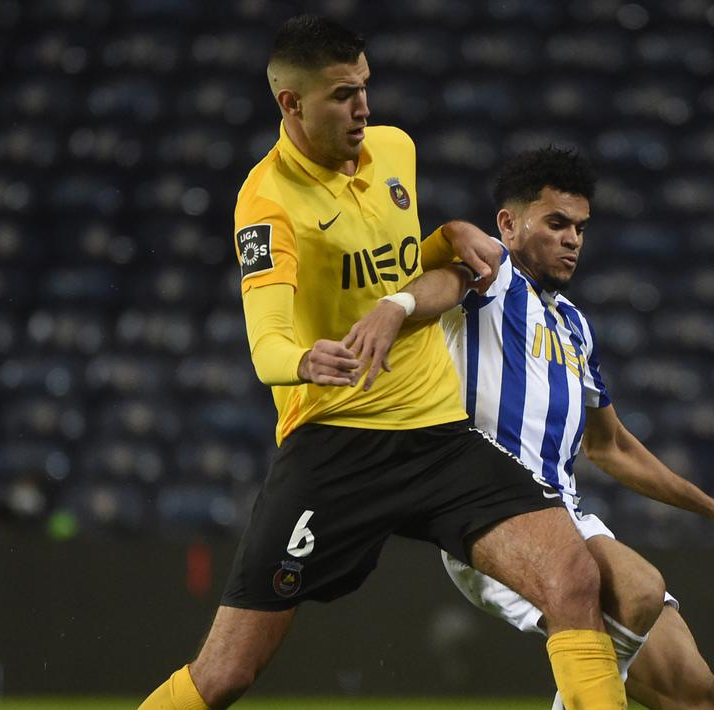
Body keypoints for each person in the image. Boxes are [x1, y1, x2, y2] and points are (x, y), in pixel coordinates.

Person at [140, 17, 627, 710]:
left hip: (436, 435)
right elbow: (266, 345)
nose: (363, 108)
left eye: (365, 87)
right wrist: (309, 359)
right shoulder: (267, 203)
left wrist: (442, 239)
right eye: (343, 95)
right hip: (336, 449)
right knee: (225, 674)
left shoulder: (395, 150)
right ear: (292, 104)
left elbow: (390, 262)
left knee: (572, 577)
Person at [368, 147, 714, 709]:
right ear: (509, 224)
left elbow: (610, 446)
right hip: (490, 516)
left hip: (566, 516)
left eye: (580, 228)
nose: (572, 239)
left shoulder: (574, 327)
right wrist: (398, 303)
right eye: (557, 223)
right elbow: (439, 281)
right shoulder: (489, 278)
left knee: (705, 701)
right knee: (639, 586)